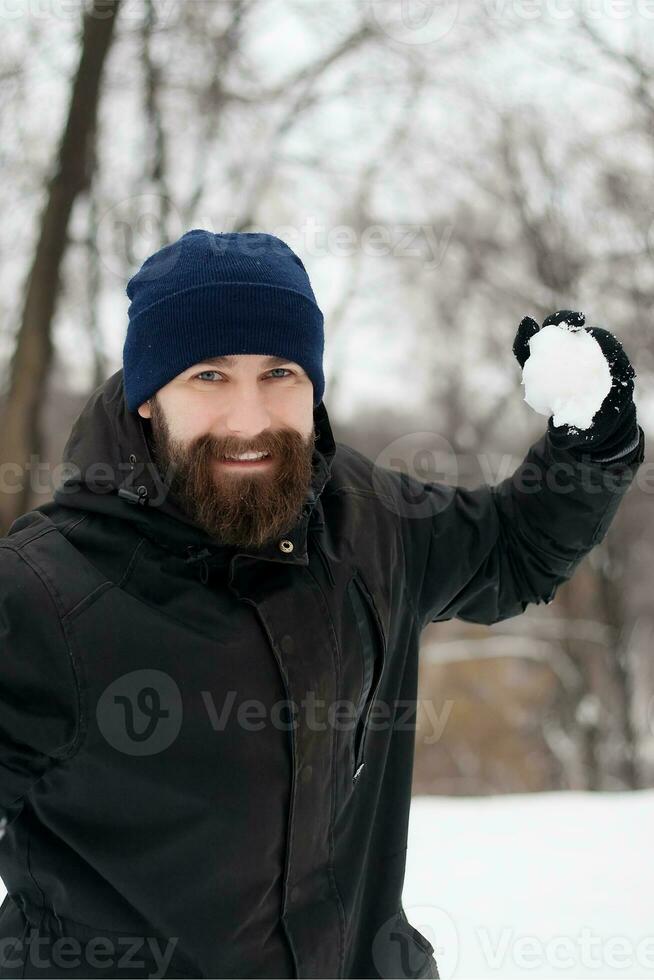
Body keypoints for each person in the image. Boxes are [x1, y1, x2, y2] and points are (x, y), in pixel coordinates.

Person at [0, 229, 644, 979]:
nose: (250, 419)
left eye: (280, 373)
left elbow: (512, 550)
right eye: (208, 376)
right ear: (148, 395)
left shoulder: (367, 516)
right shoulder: (42, 595)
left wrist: (591, 445)